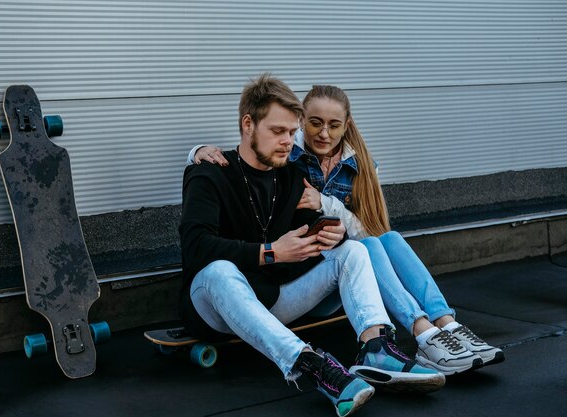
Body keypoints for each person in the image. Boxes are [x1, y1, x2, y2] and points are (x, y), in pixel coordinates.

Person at [188, 84, 505, 376]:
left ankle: (443, 326)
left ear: (347, 125)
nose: (322, 133)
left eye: (333, 125)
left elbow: (363, 228)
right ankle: (422, 331)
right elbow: (249, 154)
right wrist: (199, 151)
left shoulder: (355, 166)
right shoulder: (290, 156)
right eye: (313, 123)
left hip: (338, 276)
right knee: (366, 245)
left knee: (383, 239)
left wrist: (328, 210)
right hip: (291, 279)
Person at [180, 74, 445, 417]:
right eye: (278, 131)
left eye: (292, 132)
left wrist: (330, 240)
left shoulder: (291, 176)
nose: (288, 141)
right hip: (212, 307)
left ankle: (378, 348)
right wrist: (271, 251)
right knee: (219, 271)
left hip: (274, 299)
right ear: (248, 124)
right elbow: (195, 248)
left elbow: (299, 248)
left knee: (353, 250)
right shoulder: (210, 173)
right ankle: (313, 366)